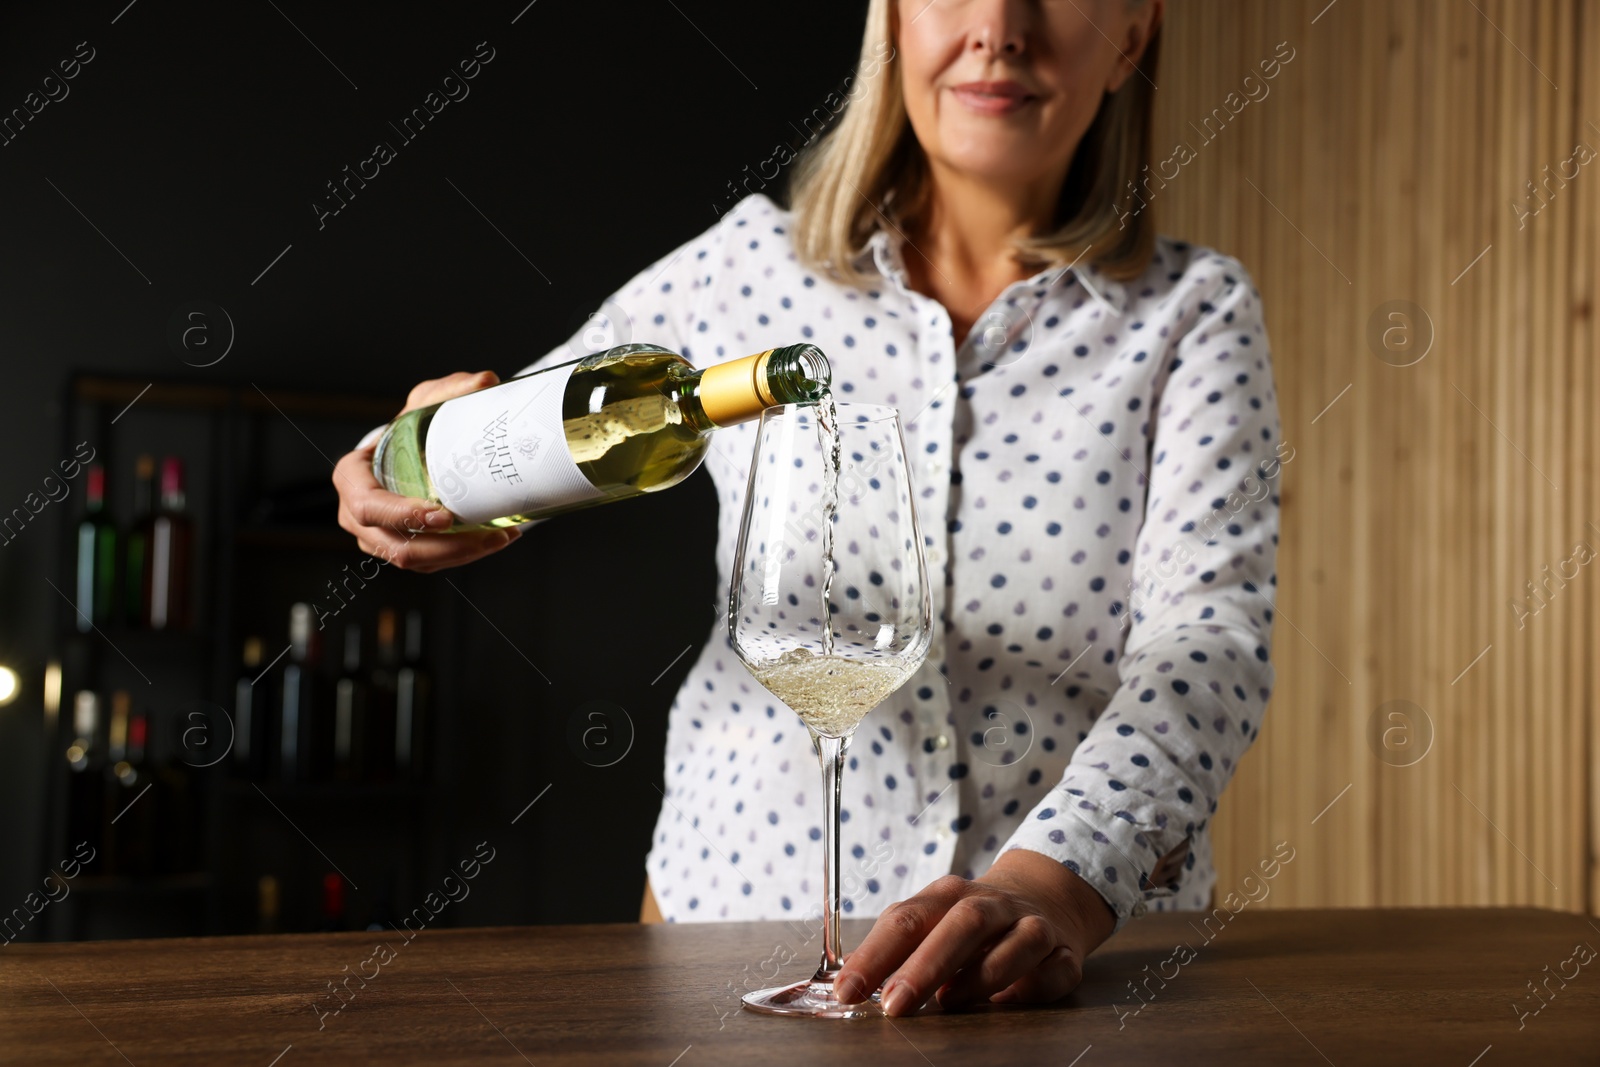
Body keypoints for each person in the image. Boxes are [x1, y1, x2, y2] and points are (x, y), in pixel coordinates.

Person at [334, 0, 1283, 1017]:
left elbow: (1208, 638)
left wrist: (1054, 880)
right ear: (891, 18)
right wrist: (402, 472)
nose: (1000, 26)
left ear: (1133, 32)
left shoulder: (1195, 315)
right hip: (734, 938)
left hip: (1065, 976)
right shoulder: (738, 269)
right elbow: (516, 436)